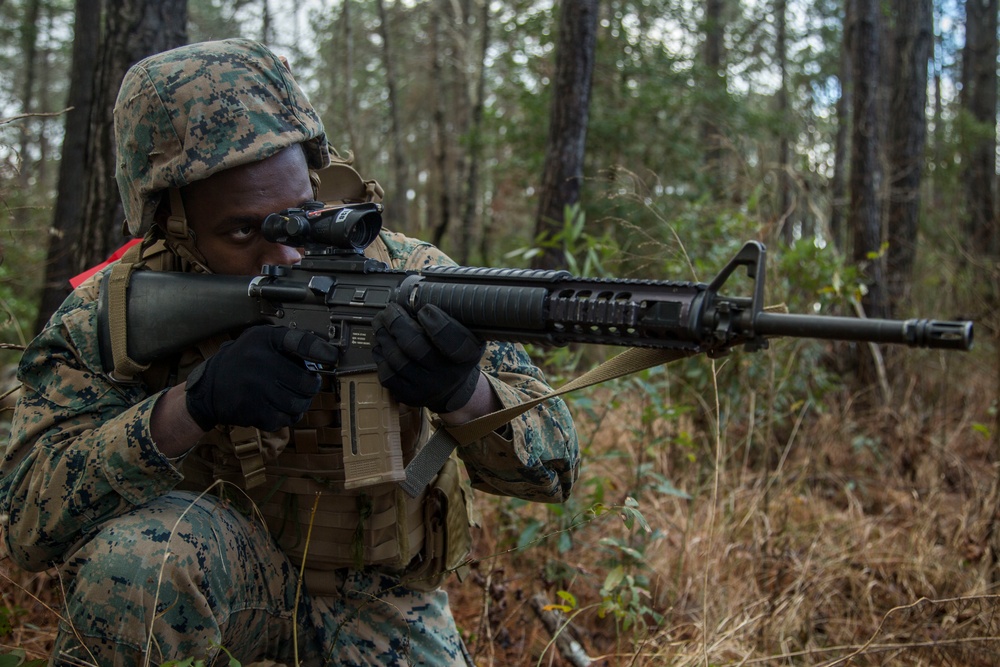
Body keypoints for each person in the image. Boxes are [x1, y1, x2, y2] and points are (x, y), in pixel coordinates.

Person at [0, 38, 578, 666]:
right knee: (138, 564)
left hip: (376, 593)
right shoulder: (114, 310)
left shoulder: (410, 275)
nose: (289, 255)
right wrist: (188, 408)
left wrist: (463, 393)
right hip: (220, 566)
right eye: (245, 230)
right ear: (170, 220)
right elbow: (27, 523)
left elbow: (556, 467)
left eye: (304, 214)